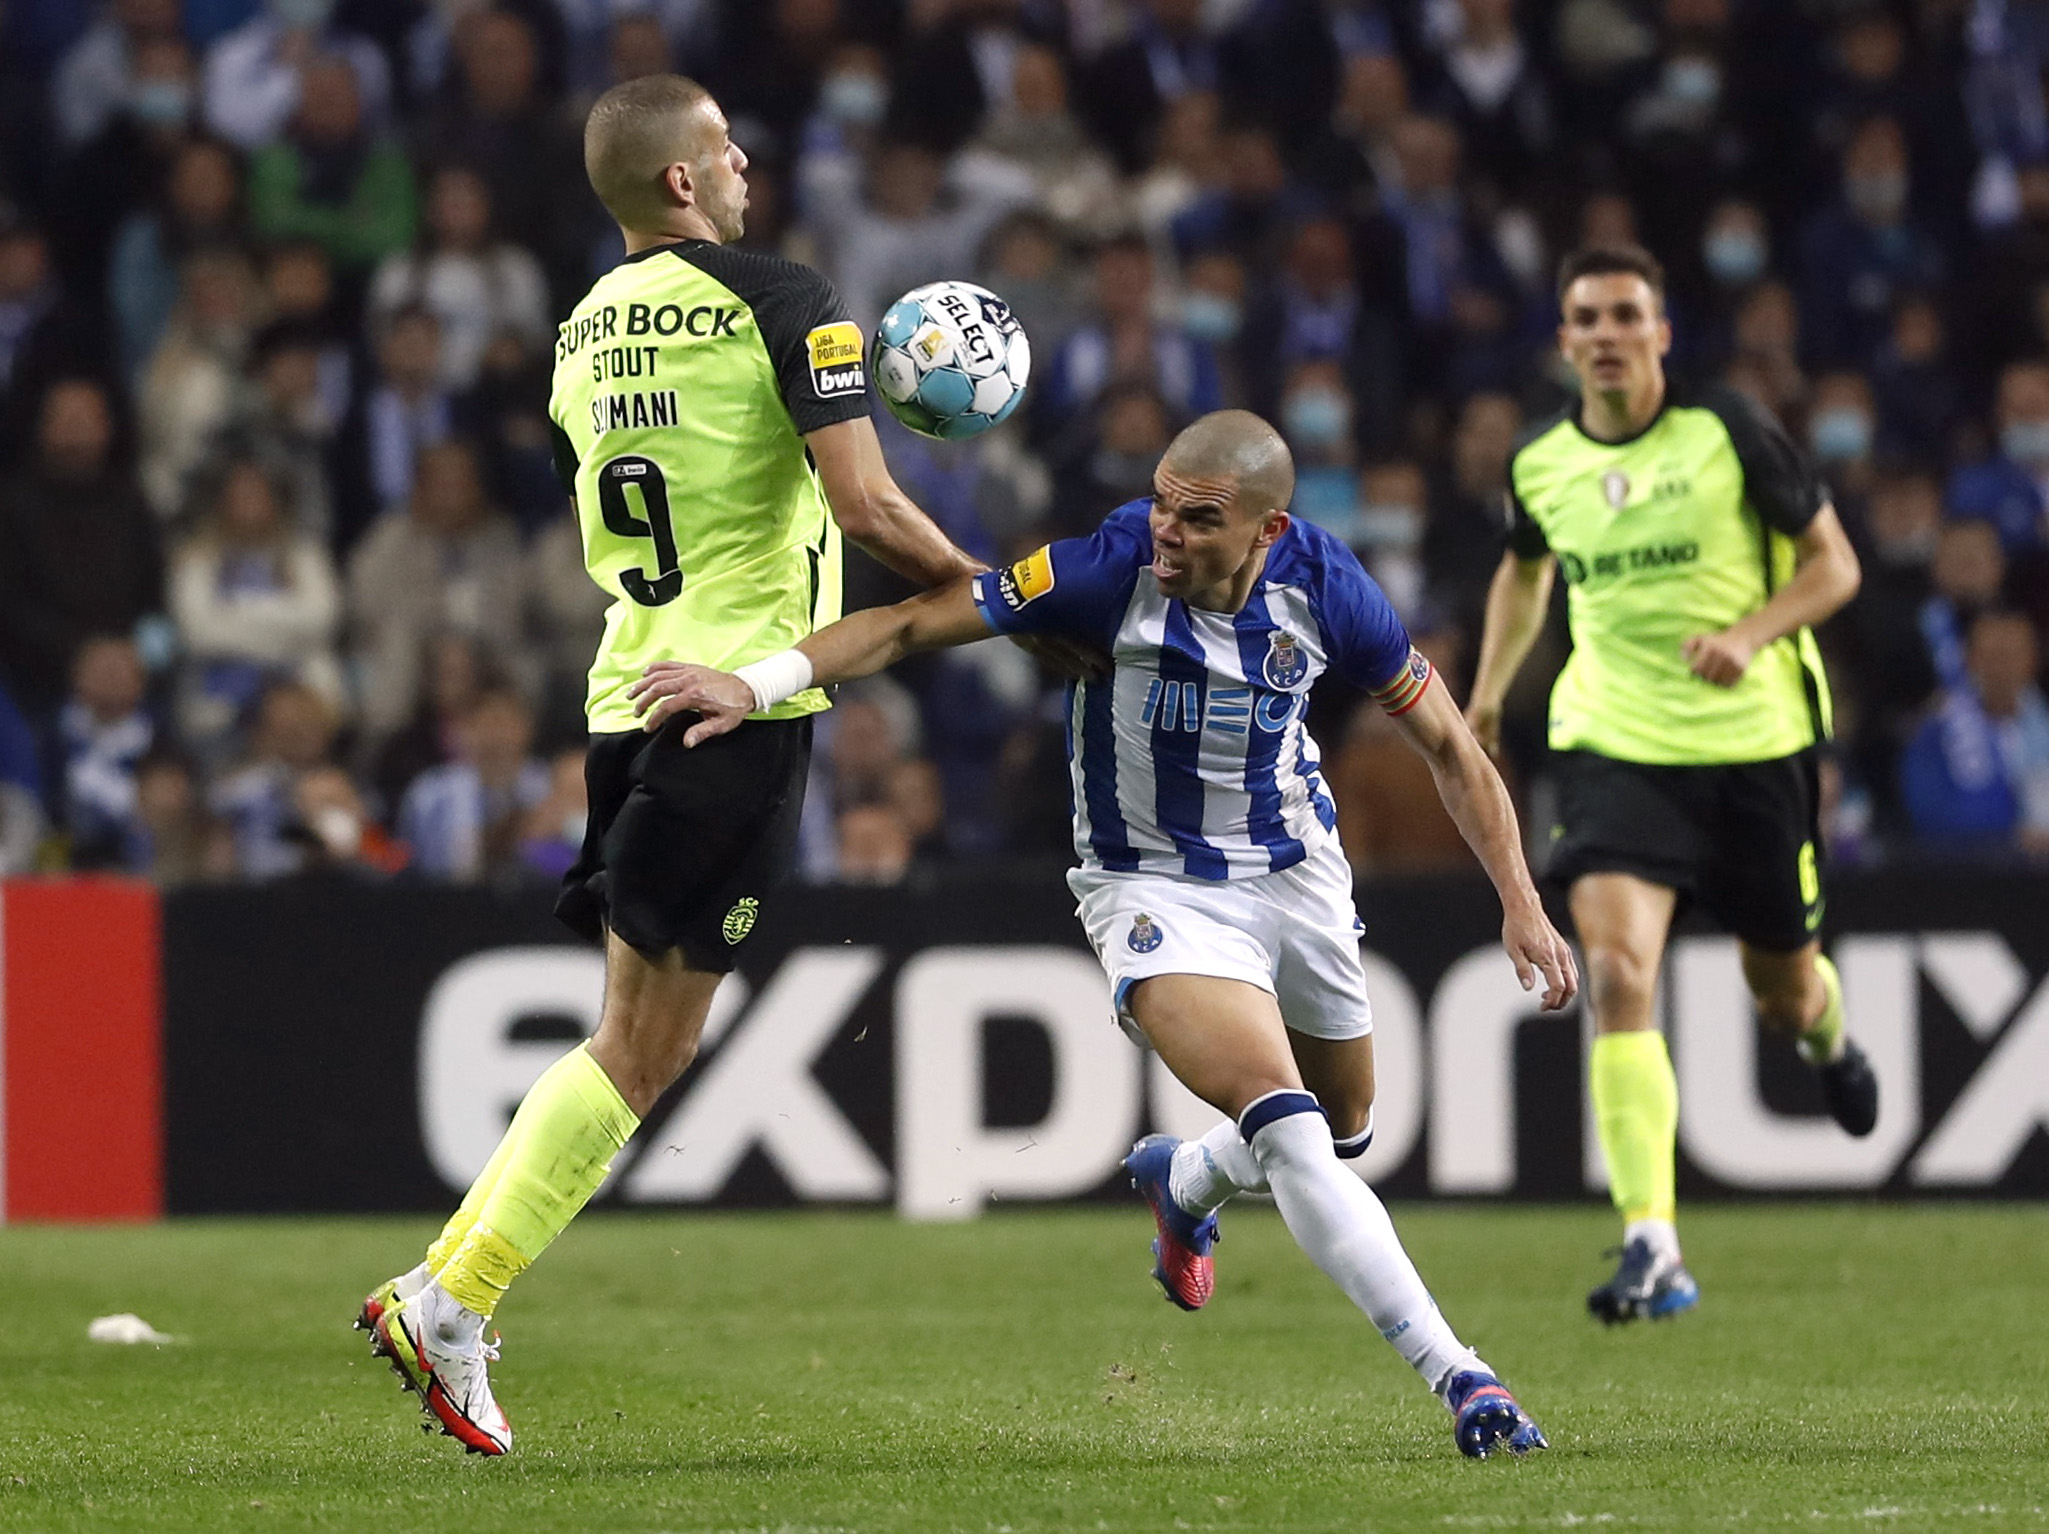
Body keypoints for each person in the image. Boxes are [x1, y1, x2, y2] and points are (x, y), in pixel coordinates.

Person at [634, 410, 1578, 1461]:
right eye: (1163, 503)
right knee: (1296, 1130)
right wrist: (755, 680)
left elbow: (1450, 743)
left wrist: (1520, 898)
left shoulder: (1327, 586)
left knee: (1347, 1126)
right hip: (1153, 888)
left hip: (1296, 869)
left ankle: (1187, 1181)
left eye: (1199, 518)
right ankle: (1464, 1377)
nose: (1166, 531)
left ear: (1267, 532)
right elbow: (909, 623)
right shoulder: (1103, 566)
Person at [359, 73, 1065, 1457]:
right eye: (724, 147)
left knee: (627, 1030)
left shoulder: (577, 334)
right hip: (733, 703)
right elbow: (862, 501)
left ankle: (438, 1281)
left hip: (626, 696)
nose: (745, 161)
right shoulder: (783, 295)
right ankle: (455, 1299)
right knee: (644, 1047)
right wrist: (1006, 600)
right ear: (681, 182)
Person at [1463, 245, 1876, 1327]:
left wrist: (1750, 633)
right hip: (1616, 745)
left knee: (1782, 992)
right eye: (1585, 317)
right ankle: (1654, 1241)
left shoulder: (1728, 429)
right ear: (1564, 343)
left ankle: (1829, 1035)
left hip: (1756, 747)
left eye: (1625, 314)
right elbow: (1525, 569)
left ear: (1661, 333)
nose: (1605, 332)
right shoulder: (1540, 461)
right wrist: (1490, 694)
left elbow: (1835, 565)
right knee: (1617, 965)